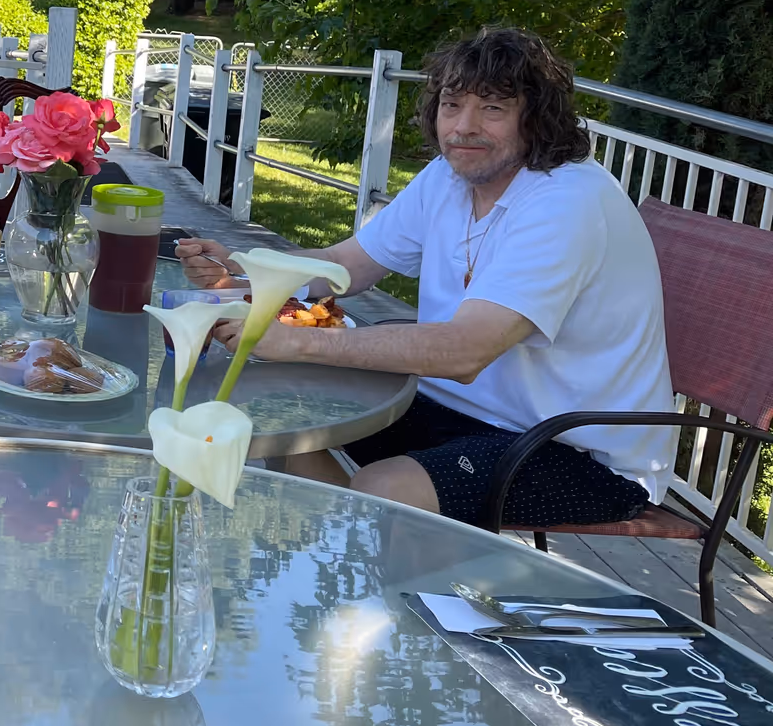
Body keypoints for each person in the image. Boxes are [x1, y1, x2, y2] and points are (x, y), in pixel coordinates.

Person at [182, 26, 675, 529]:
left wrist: (296, 342)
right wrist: (246, 273)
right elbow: (346, 266)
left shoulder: (567, 202)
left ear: (538, 118)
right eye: (452, 104)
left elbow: (465, 352)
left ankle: (368, 571)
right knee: (282, 414)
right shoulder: (450, 175)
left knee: (383, 491)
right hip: (454, 409)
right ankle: (335, 558)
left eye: (494, 109)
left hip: (575, 448)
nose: (464, 127)